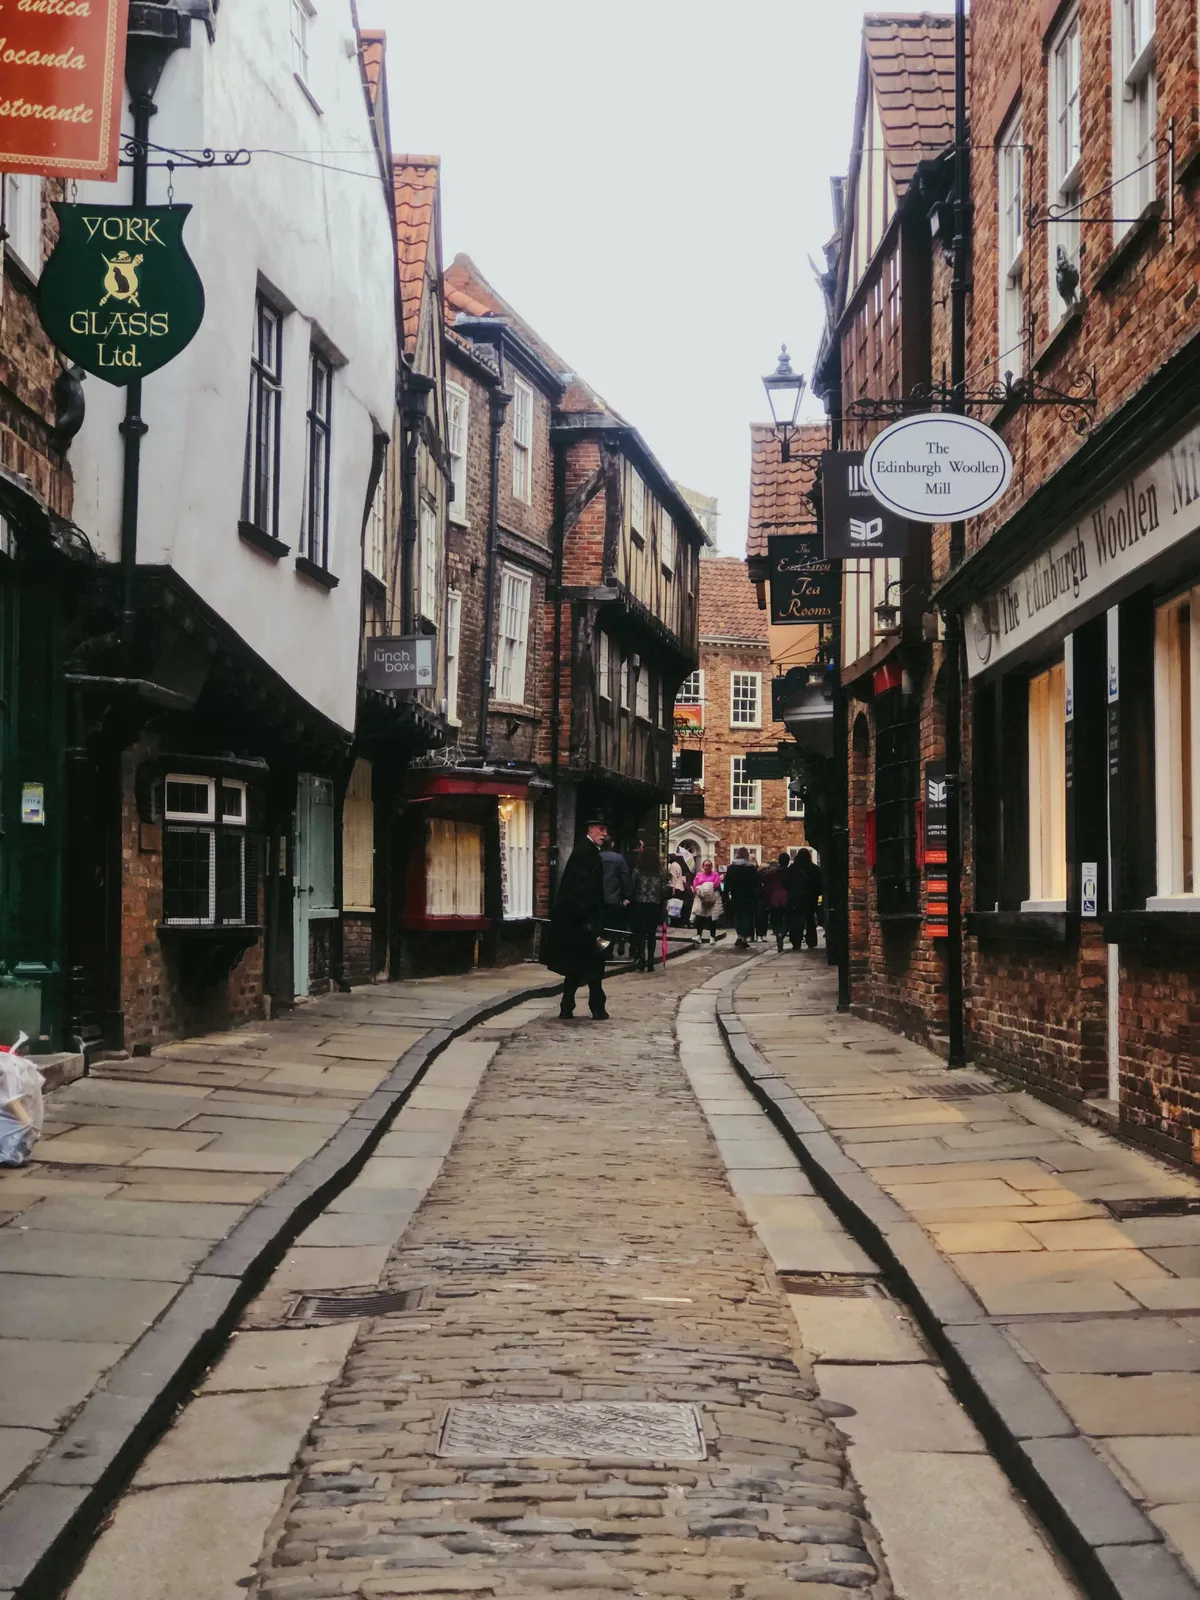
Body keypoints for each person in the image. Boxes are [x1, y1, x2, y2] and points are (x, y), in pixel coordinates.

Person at [546, 818, 610, 1020]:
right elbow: (584, 889)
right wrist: (591, 921)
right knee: (593, 964)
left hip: (579, 922)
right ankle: (596, 1007)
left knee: (577, 967)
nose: (604, 834)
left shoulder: (585, 851)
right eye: (601, 829)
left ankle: (569, 1006)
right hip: (585, 923)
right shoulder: (587, 853)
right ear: (590, 829)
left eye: (605, 829)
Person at [630, 844, 670, 971]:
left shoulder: (638, 870)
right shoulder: (660, 872)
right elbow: (664, 889)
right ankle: (651, 961)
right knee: (651, 933)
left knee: (641, 933)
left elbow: (632, 885)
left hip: (639, 903)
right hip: (654, 904)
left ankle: (641, 958)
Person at [599, 834, 632, 958]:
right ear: (612, 845)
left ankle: (601, 949)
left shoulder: (597, 857)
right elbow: (625, 878)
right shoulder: (619, 859)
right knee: (612, 927)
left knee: (600, 927)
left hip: (599, 898)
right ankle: (609, 950)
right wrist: (626, 896)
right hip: (614, 898)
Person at [723, 847, 761, 949]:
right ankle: (743, 938)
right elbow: (757, 883)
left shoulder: (732, 868)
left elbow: (727, 883)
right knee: (746, 917)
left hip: (735, 895)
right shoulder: (751, 868)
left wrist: (725, 895)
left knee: (737, 916)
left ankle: (739, 936)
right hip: (748, 896)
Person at [786, 847, 822, 950]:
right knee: (810, 920)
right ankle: (811, 941)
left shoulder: (793, 869)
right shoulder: (814, 868)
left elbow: (786, 882)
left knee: (796, 920)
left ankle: (796, 941)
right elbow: (819, 883)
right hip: (810, 897)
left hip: (796, 897)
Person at [763, 852, 791, 953]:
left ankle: (778, 932)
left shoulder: (772, 872)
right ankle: (782, 934)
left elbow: (767, 886)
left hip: (774, 897)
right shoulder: (790, 872)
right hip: (787, 897)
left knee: (775, 919)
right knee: (788, 919)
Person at [691, 858, 724, 943]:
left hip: (712, 899)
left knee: (712, 918)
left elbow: (716, 884)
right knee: (700, 917)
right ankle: (699, 936)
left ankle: (712, 937)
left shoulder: (715, 875)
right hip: (701, 898)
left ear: (711, 866)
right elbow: (695, 884)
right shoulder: (699, 875)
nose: (707, 867)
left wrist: (705, 887)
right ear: (703, 866)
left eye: (709, 865)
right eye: (706, 865)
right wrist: (699, 890)